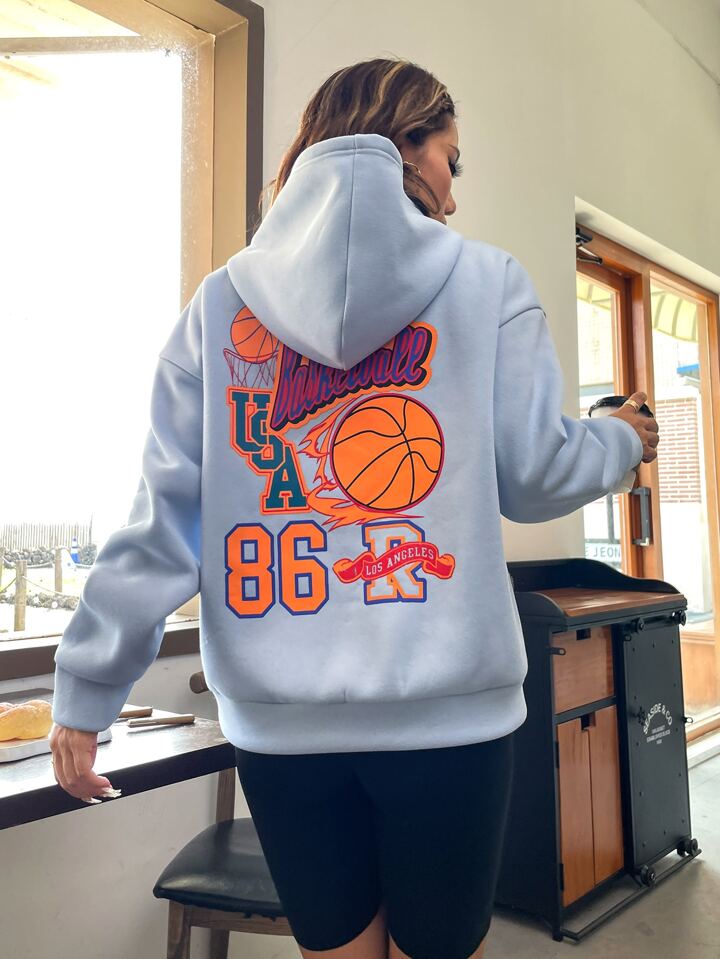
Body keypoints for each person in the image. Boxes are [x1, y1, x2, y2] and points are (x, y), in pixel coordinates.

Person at [49, 57, 659, 959]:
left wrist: (88, 686)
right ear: (405, 149)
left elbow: (165, 522)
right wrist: (623, 438)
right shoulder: (488, 282)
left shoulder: (218, 306)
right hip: (451, 720)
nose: (454, 192)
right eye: (451, 159)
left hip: (280, 729)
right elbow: (536, 475)